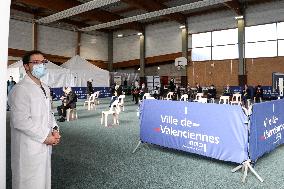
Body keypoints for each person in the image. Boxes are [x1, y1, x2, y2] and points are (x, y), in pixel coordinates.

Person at [8, 50, 61, 189]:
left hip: (44, 143)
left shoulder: (45, 87)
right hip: (28, 147)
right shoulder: (20, 89)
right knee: (28, 181)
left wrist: (54, 129)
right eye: (35, 62)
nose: (40, 66)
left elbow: (48, 113)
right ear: (26, 66)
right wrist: (45, 137)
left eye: (42, 62)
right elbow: (20, 121)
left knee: (42, 179)